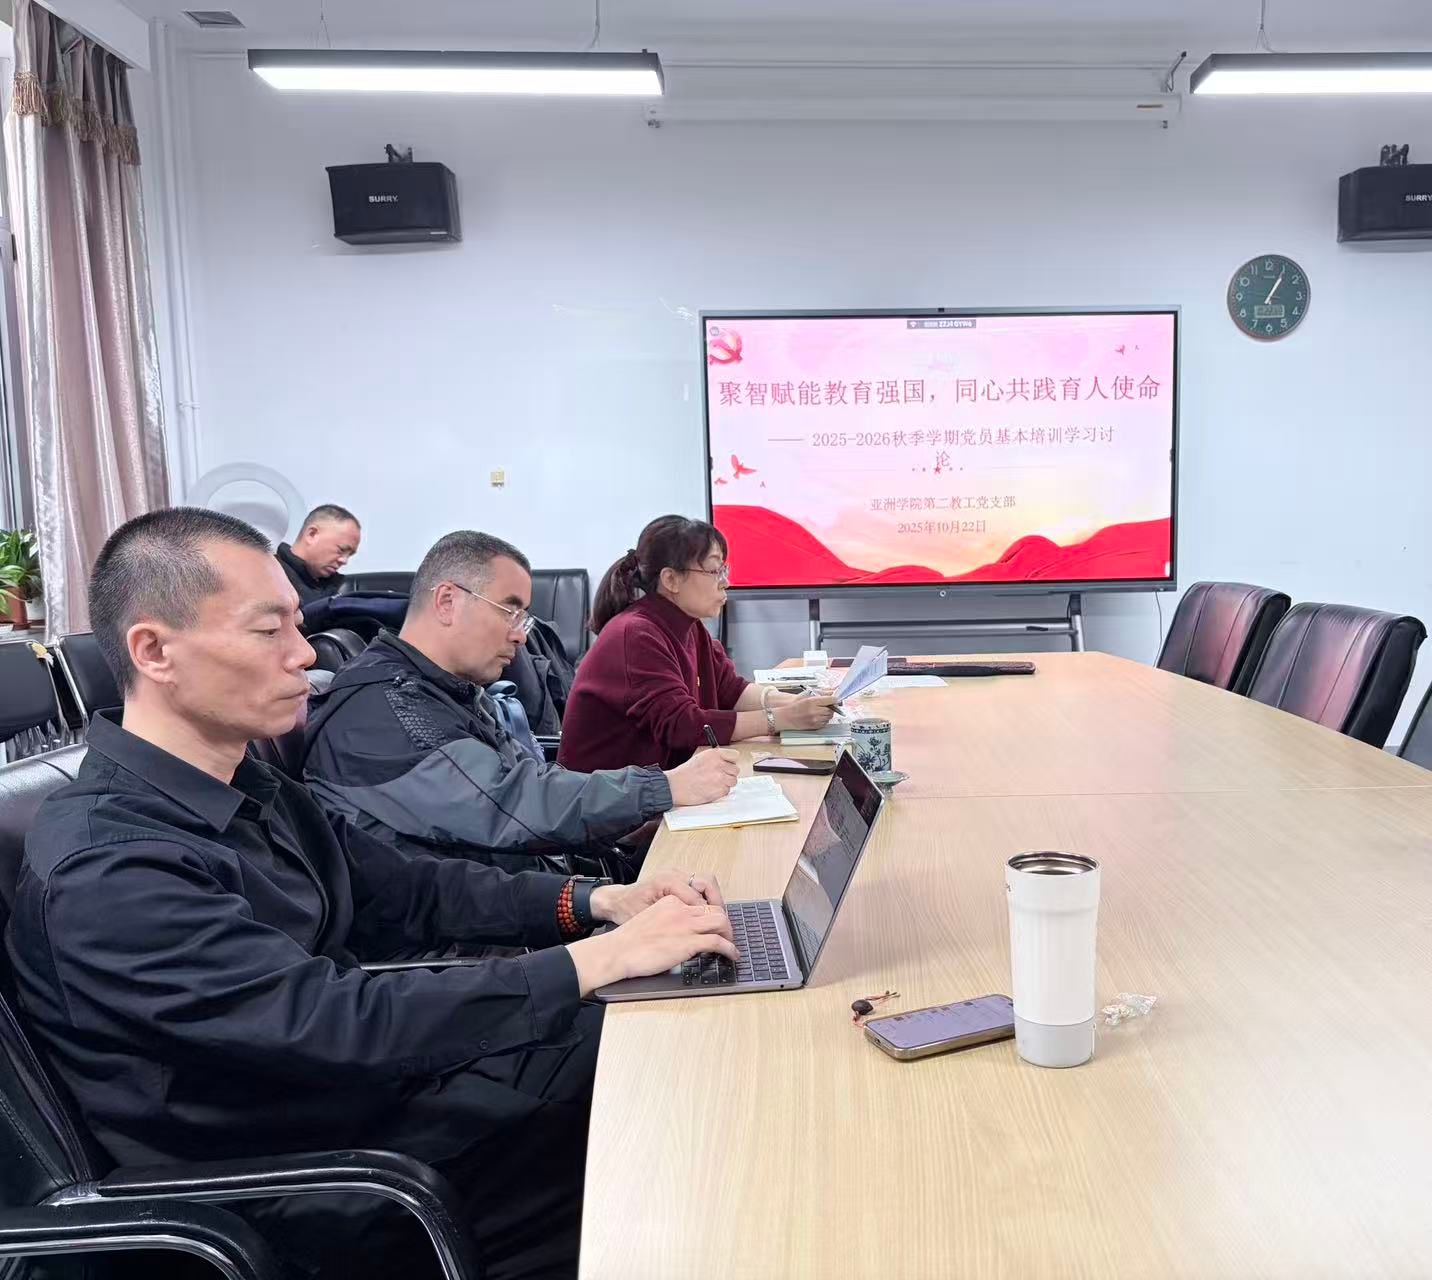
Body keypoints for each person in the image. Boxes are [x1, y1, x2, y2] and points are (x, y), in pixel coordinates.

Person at [6, 507, 736, 1280]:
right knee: (663, 1112)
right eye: (269, 631)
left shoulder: (250, 785)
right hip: (311, 1192)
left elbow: (413, 888)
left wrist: (598, 905)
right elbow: (327, 1020)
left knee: (663, 1037)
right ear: (155, 651)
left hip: (374, 1108)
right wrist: (594, 963)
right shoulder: (109, 863)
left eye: (298, 624)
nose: (304, 654)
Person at [302, 529, 740, 873]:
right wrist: (662, 788)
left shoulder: (450, 690)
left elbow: (526, 783)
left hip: (524, 899)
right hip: (469, 943)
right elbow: (511, 802)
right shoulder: (383, 710)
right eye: (510, 611)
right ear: (447, 601)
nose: (520, 634)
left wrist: (619, 832)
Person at [558, 515, 837, 773]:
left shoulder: (689, 626)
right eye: (714, 571)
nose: (725, 582)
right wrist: (781, 718)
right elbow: (683, 725)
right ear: (671, 579)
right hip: (610, 800)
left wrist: (797, 703)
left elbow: (732, 691)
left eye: (724, 570)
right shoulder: (635, 634)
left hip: (659, 786)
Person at [275, 502, 362, 606]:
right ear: (312, 534)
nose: (344, 561)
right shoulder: (270, 578)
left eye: (350, 554)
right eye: (341, 550)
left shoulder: (340, 588)